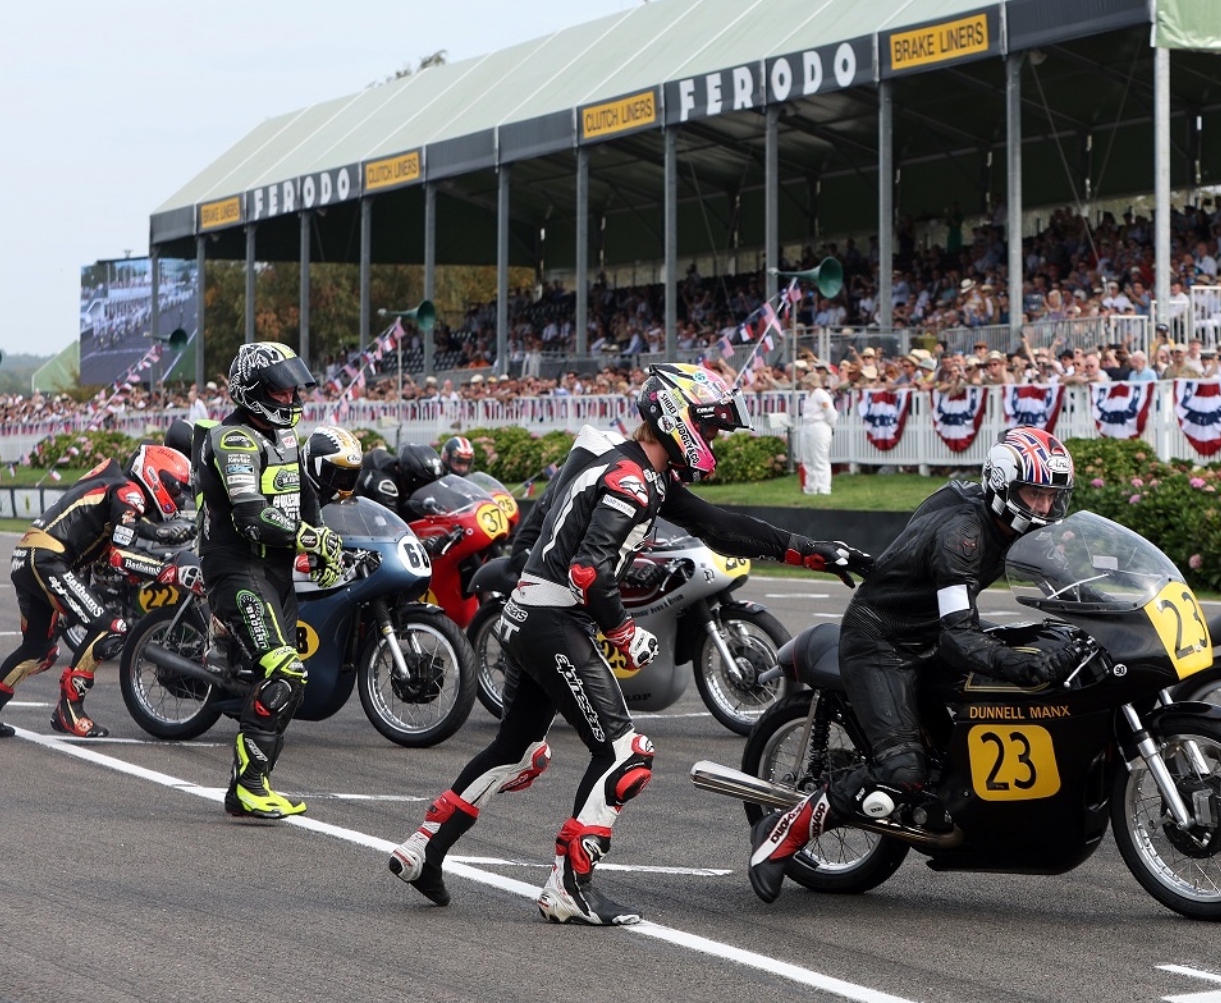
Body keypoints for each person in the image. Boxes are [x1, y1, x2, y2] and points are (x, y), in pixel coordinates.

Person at [385, 363, 867, 925]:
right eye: (708, 429)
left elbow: (725, 527)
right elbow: (589, 572)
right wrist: (622, 630)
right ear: (677, 420)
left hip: (528, 618)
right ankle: (570, 884)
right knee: (624, 753)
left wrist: (818, 551)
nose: (710, 442)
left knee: (515, 750)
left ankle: (422, 850)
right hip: (552, 621)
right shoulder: (632, 480)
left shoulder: (631, 466)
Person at [747, 427, 1088, 903]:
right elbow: (961, 635)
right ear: (1002, 486)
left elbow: (1058, 581)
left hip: (930, 630)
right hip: (881, 642)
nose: (1045, 509)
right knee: (903, 770)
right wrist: (1021, 666)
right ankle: (783, 830)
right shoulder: (963, 538)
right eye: (1034, 494)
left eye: (1052, 497)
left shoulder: (1008, 524)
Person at [196, 342, 344, 819]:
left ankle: (249, 788)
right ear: (253, 391)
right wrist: (308, 540)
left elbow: (305, 496)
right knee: (285, 671)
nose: (292, 399)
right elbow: (251, 517)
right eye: (281, 391)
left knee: (282, 678)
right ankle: (249, 787)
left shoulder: (285, 436)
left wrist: (321, 538)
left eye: (294, 389)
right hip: (237, 567)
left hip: (275, 570)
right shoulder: (232, 440)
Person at [0, 447, 199, 739]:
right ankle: (69, 710)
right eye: (177, 489)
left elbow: (115, 542)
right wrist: (170, 572)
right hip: (48, 559)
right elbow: (120, 556)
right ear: (155, 476)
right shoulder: (129, 492)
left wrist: (156, 536)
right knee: (111, 629)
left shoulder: (115, 486)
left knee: (39, 650)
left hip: (29, 557)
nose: (178, 499)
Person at [798, 368, 837, 496]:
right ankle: (811, 487)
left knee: (820, 458)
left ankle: (824, 487)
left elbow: (830, 412)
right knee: (808, 459)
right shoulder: (808, 395)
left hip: (820, 426)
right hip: (808, 426)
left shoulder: (821, 394)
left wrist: (831, 426)